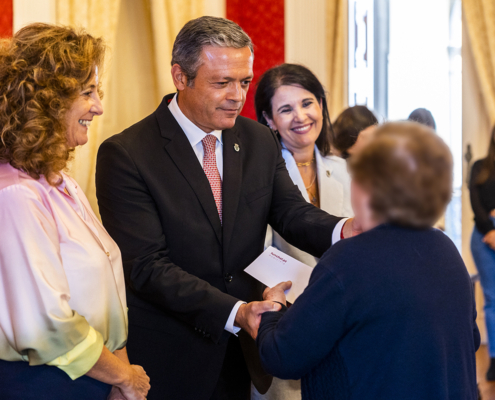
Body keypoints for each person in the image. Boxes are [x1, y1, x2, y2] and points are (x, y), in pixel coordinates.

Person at [95, 16, 358, 400]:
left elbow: (290, 212)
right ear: (180, 77)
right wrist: (236, 313)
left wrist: (344, 230)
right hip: (171, 356)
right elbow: (147, 267)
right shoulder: (128, 154)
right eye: (222, 83)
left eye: (244, 82)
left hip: (240, 357)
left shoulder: (258, 139)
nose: (238, 95)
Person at [257, 122, 480, 400]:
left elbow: (281, 356)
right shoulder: (445, 248)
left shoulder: (347, 261)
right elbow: (469, 339)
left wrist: (273, 309)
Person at [0, 24, 150, 400]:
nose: (99, 107)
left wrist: (121, 377)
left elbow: (109, 299)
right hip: (46, 386)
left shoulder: (61, 182)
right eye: (87, 93)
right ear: (47, 103)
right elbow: (46, 328)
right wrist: (126, 378)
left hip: (95, 378)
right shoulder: (16, 196)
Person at [252, 63, 352, 400]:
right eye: (285, 109)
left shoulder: (346, 171)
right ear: (268, 120)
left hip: (344, 321)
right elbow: (256, 250)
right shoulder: (258, 176)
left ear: (321, 106)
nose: (300, 116)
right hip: (288, 323)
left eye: (307, 103)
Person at [470, 125, 495, 381]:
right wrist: (490, 230)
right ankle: (494, 361)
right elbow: (475, 203)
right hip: (483, 236)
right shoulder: (479, 166)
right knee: (492, 299)